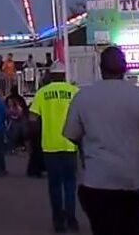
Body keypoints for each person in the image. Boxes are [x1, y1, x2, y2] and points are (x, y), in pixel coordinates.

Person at [63, 47, 139, 235]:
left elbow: (72, 134)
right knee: (131, 229)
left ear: (101, 69)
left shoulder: (83, 96)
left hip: (96, 180)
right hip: (131, 180)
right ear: (125, 69)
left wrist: (88, 147)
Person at [30, 62, 79, 233]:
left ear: (51, 75)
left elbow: (32, 118)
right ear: (65, 75)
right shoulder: (74, 92)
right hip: (70, 144)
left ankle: (58, 221)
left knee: (55, 185)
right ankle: (72, 219)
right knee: (70, 184)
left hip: (50, 145)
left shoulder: (42, 93)